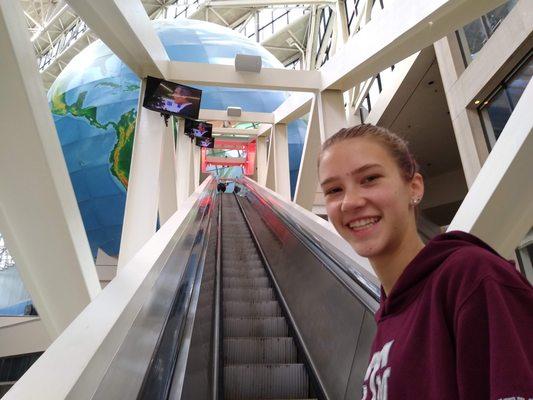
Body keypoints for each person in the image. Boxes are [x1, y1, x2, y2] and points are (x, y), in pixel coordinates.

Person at [317, 124, 533, 399]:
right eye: (334, 190)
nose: (350, 202)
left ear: (414, 188)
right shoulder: (390, 315)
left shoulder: (472, 278)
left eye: (370, 178)